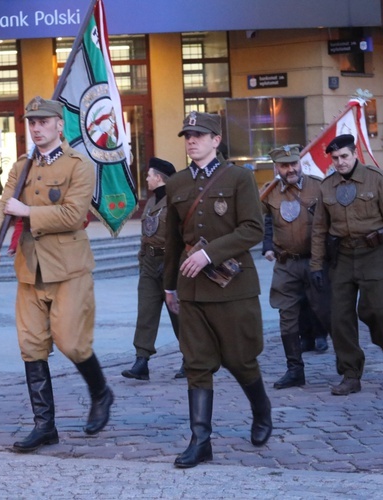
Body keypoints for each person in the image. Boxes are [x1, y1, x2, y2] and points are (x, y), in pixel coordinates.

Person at [0, 96, 113, 453]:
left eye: (43, 122)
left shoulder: (79, 165)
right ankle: (45, 426)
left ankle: (101, 392)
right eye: (31, 122)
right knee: (31, 347)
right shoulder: (21, 166)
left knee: (72, 342)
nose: (36, 128)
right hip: (30, 267)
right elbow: (2, 205)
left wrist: (29, 210)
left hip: (69, 268)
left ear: (59, 126)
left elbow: (73, 214)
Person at [164, 111, 272, 469]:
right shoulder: (176, 184)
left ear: (216, 140)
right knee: (197, 364)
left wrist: (210, 253)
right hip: (191, 289)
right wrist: (168, 287)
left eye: (198, 134)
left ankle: (261, 410)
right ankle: (201, 440)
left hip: (233, 287)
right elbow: (172, 241)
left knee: (240, 359)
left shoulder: (239, 178)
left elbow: (252, 229)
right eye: (187, 135)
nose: (191, 140)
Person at [310, 134, 383, 396]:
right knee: (339, 318)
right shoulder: (327, 186)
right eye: (335, 158)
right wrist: (316, 266)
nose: (340, 162)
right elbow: (319, 229)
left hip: (374, 253)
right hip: (341, 256)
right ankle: (351, 374)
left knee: (378, 311)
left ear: (355, 154)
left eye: (344, 156)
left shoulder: (375, 178)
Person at [261, 144, 331, 390]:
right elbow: (260, 221)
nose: (290, 169)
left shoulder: (319, 186)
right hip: (285, 264)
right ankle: (294, 370)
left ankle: (349, 365)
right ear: (276, 168)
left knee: (328, 314)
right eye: (284, 165)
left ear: (300, 163)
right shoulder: (268, 192)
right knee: (287, 319)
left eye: (293, 164)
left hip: (315, 261)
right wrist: (267, 245)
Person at [121, 157, 183, 381]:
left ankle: (191, 357)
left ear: (158, 178)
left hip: (169, 262)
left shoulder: (176, 200)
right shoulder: (150, 201)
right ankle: (141, 360)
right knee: (146, 312)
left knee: (178, 313)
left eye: (149, 175)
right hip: (149, 262)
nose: (146, 179)